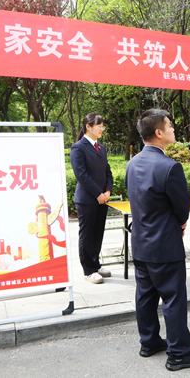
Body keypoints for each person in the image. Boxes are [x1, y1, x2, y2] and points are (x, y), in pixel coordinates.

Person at [125, 109, 190, 371]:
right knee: (173, 298)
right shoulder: (170, 167)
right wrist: (181, 222)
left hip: (140, 242)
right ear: (158, 132)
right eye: (169, 125)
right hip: (165, 243)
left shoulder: (132, 163)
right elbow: (182, 206)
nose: (173, 129)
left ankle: (149, 342)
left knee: (145, 295)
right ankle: (178, 353)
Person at [70, 113, 113, 284]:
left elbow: (107, 171)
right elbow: (81, 175)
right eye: (99, 126)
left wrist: (108, 190)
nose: (102, 129)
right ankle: (88, 270)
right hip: (87, 199)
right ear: (88, 126)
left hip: (102, 199)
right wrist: (98, 194)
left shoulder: (101, 148)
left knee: (98, 233)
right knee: (87, 235)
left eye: (103, 126)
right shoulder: (78, 148)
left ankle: (96, 264)